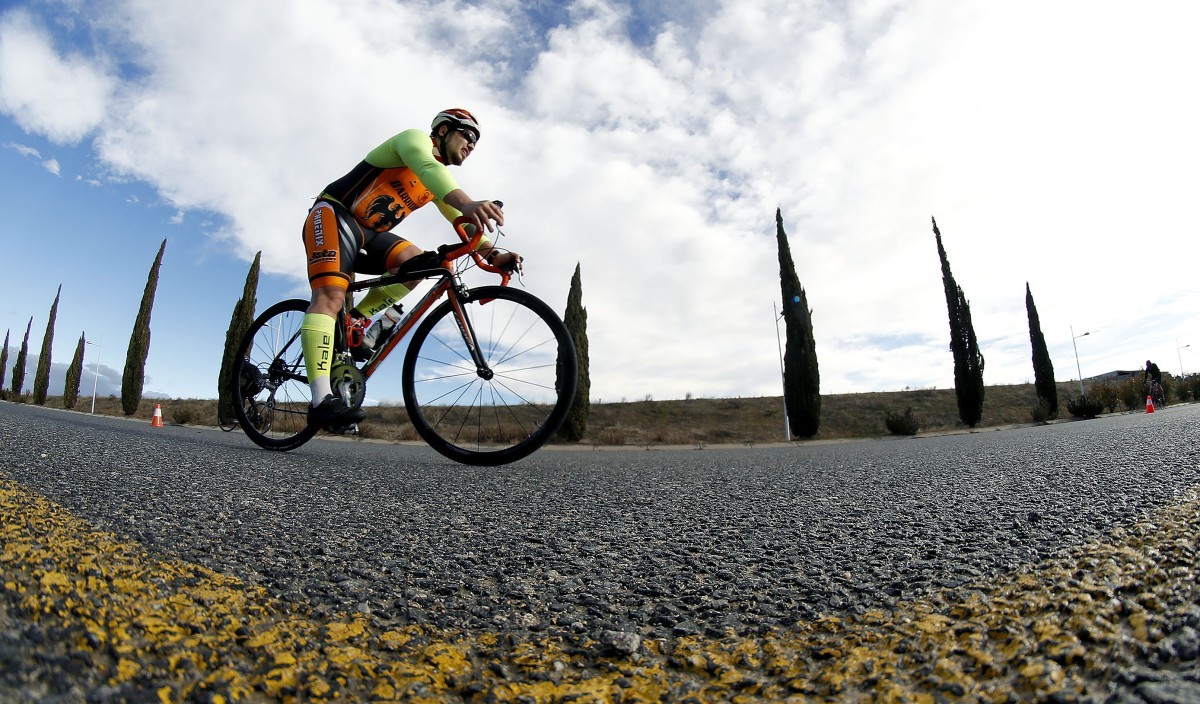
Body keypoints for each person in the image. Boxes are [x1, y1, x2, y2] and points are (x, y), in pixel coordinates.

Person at [300, 108, 522, 427]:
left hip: (370, 233)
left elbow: (463, 221)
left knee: (416, 264)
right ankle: (321, 399)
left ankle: (357, 322)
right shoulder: (413, 141)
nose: (472, 145)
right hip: (334, 215)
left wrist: (494, 253)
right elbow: (430, 168)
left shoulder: (434, 184)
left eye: (477, 142)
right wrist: (468, 202)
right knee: (330, 297)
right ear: (443, 131)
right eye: (468, 135)